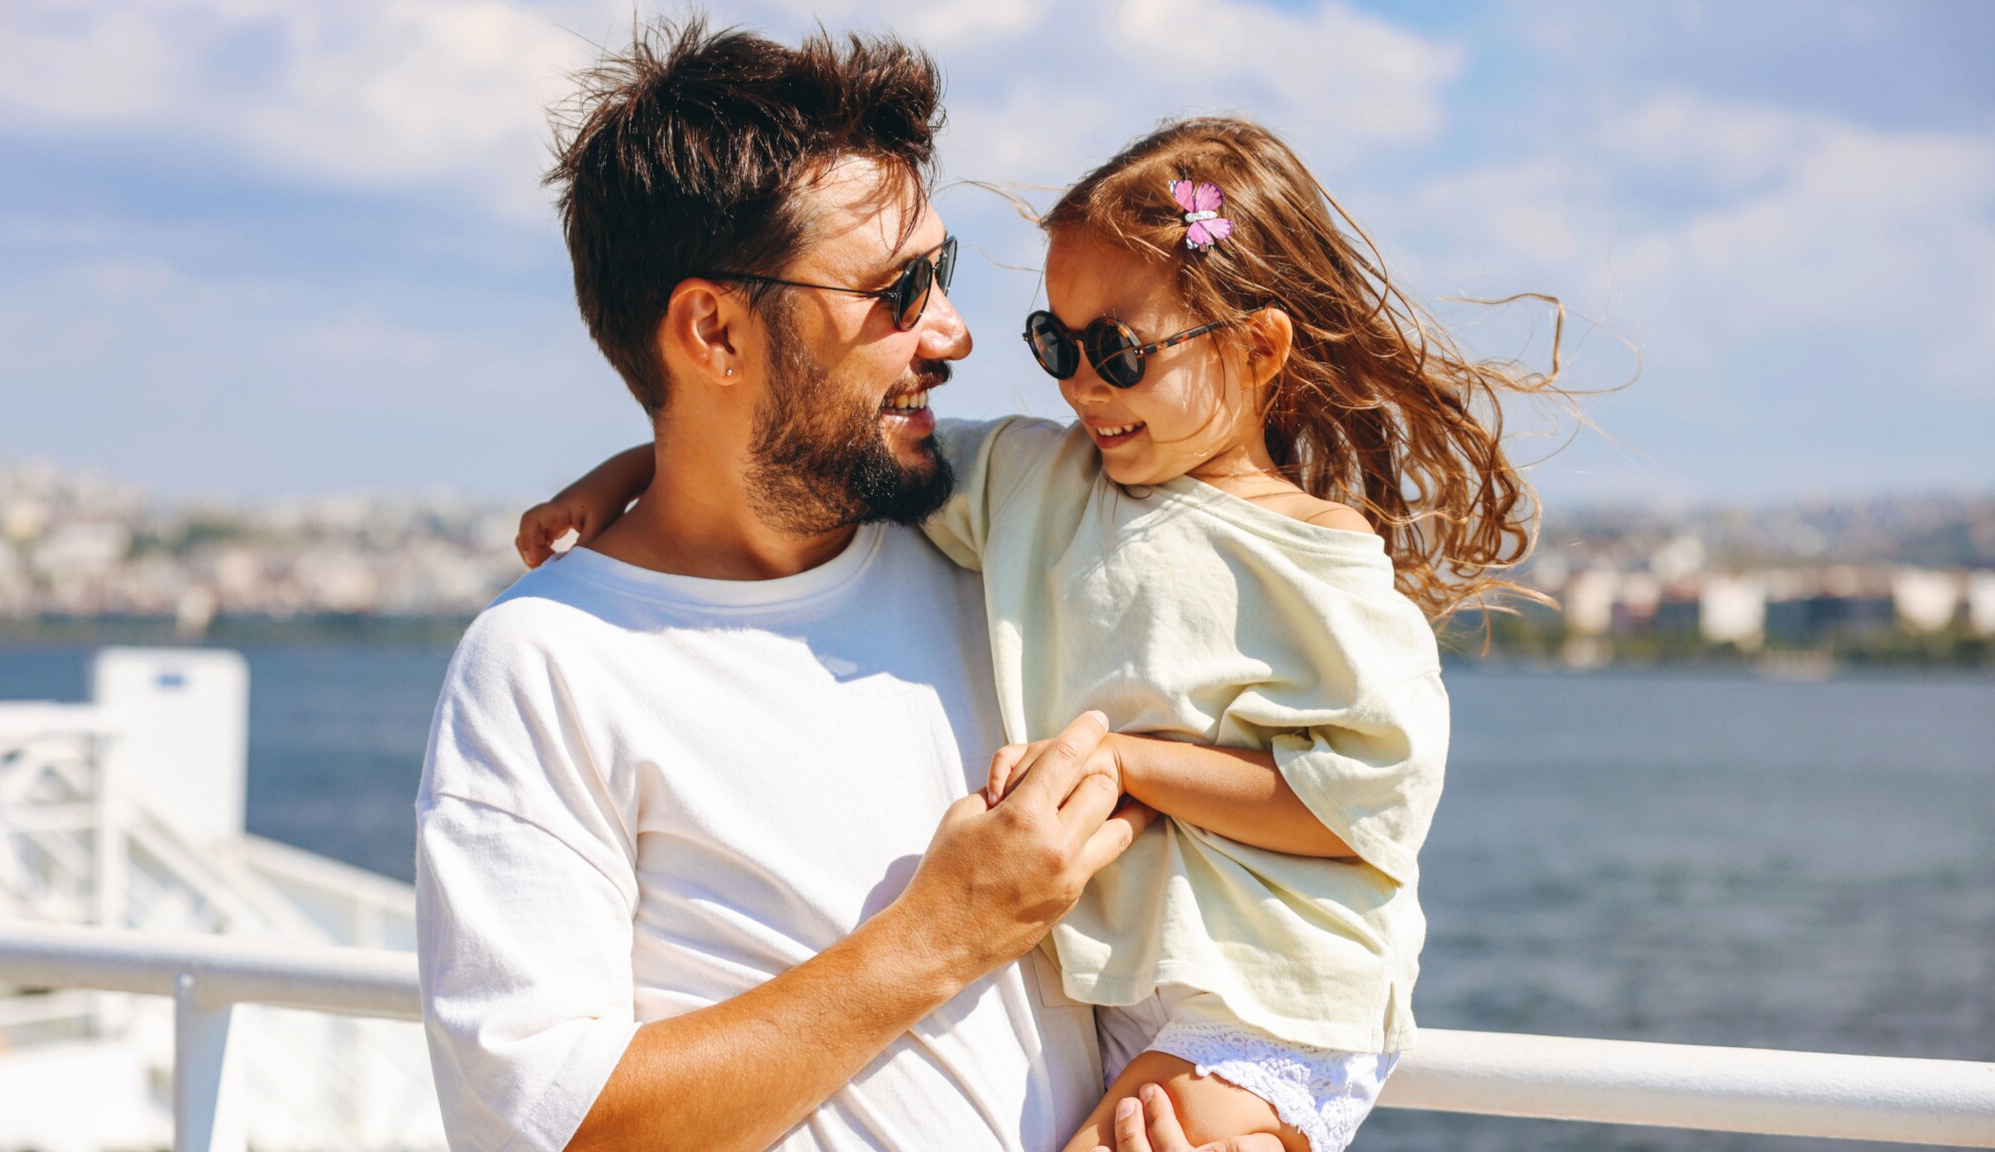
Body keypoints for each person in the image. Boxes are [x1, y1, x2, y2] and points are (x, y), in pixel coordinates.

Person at [521, 118, 1568, 1151]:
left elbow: (1359, 812)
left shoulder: (1317, 561)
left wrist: (1126, 765)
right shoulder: (1036, 481)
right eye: (1054, 343)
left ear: (1256, 349)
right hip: (1128, 989)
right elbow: (813, 451)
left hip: (1264, 994)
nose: (1076, 386)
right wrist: (628, 477)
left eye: (1115, 352)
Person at [420, 23, 1305, 1152]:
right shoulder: (548, 661)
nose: (953, 328)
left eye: (938, 270)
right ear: (712, 330)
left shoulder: (1007, 553)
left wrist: (1255, 1119)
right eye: (897, 288)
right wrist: (938, 933)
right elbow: (544, 1128)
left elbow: (1266, 870)